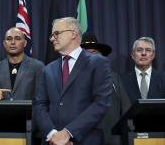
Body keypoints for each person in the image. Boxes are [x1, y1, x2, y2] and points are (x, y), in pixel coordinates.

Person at [34, 17, 112, 145]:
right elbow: (40, 105)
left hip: (85, 139)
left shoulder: (98, 63)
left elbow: (101, 103)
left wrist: (68, 133)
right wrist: (52, 133)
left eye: (56, 33)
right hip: (52, 141)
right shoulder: (48, 69)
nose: (52, 38)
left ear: (73, 33)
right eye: (52, 35)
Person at [81, 33, 131, 145]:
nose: (90, 56)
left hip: (111, 139)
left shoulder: (114, 78)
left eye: (94, 53)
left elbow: (126, 110)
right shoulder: (70, 80)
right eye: (85, 53)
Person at [0, 27, 44, 100]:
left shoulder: (38, 67)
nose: (13, 42)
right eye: (9, 39)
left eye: (17, 38)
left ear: (25, 43)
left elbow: (41, 99)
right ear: (4, 44)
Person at [121, 37, 165, 104]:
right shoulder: (121, 80)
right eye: (139, 50)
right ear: (132, 55)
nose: (143, 53)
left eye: (148, 50)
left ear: (153, 55)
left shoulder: (163, 78)